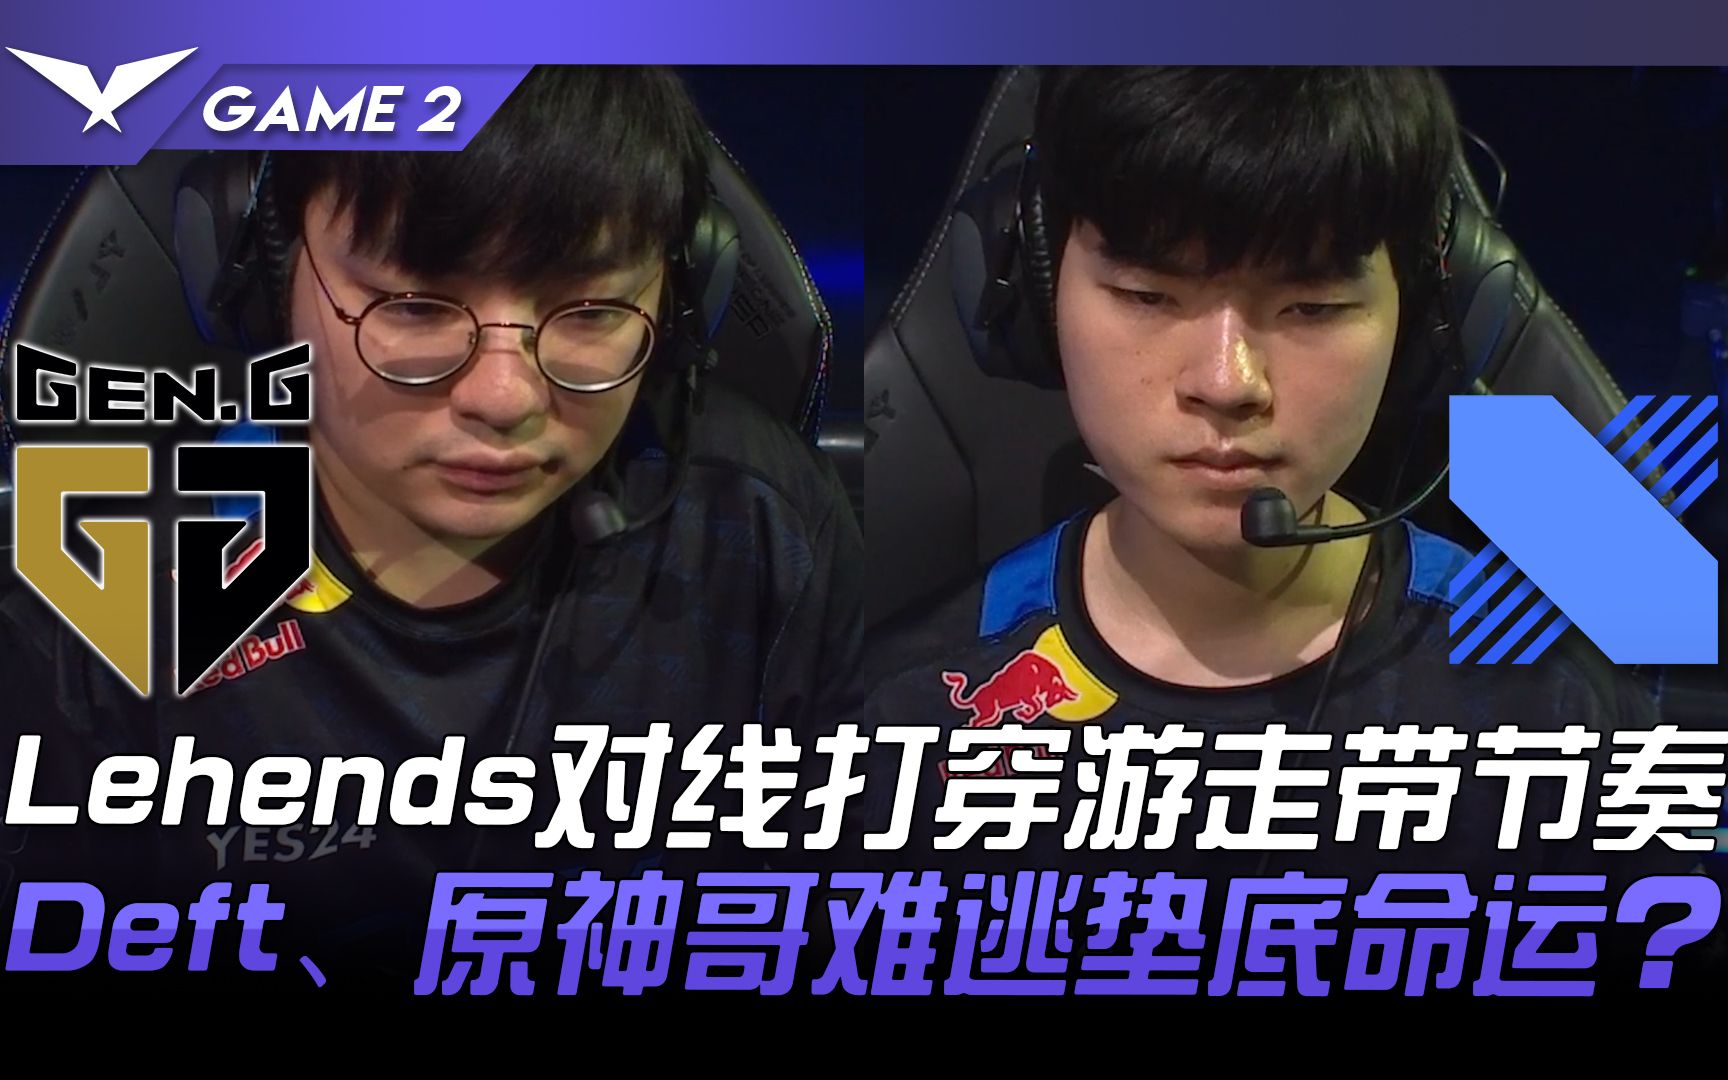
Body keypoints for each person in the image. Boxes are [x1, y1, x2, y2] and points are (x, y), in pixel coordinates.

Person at [0, 66, 862, 986]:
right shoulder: (108, 567)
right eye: (413, 305)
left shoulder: (761, 526)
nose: (504, 397)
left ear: (682, 297)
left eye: (590, 312)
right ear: (264, 272)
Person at [856, 67, 1706, 982]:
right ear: (1031, 288)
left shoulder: (1550, 710)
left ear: (1427, 320)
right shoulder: (901, 718)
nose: (1227, 383)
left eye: (1312, 306)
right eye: (1148, 294)